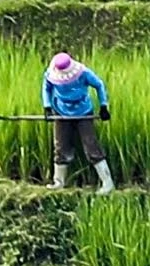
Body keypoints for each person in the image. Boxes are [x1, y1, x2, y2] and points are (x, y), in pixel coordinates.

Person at [41, 52, 114, 193]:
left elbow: (99, 85)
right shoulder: (50, 74)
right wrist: (47, 106)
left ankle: (107, 183)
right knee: (60, 146)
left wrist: (104, 106)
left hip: (83, 112)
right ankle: (58, 182)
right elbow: (46, 89)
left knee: (91, 145)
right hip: (61, 112)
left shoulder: (83, 73)